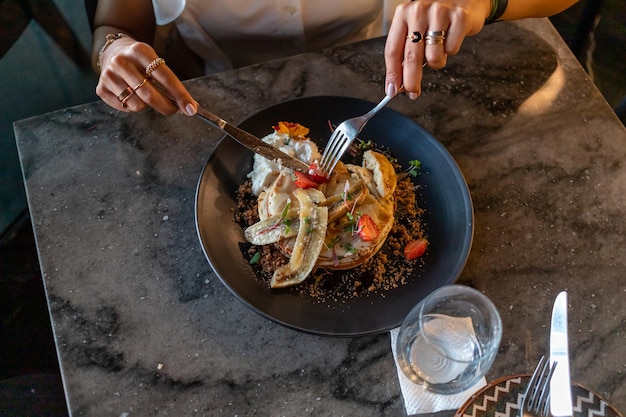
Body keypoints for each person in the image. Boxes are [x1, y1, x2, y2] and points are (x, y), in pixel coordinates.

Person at [91, 0, 579, 116]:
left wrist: (479, 3)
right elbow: (114, 25)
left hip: (380, 81)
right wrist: (113, 49)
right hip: (231, 99)